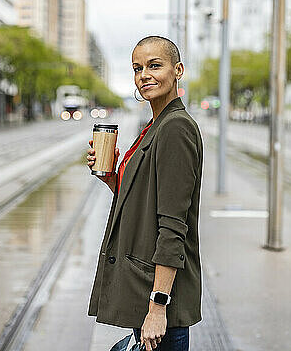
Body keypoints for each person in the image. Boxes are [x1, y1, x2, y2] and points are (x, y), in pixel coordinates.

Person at [86, 36, 203, 351]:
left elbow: (173, 224)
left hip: (162, 304)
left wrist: (158, 307)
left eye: (155, 65)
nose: (144, 75)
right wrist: (112, 177)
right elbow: (142, 200)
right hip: (146, 292)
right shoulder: (156, 125)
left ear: (177, 70)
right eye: (138, 68)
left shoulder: (176, 128)